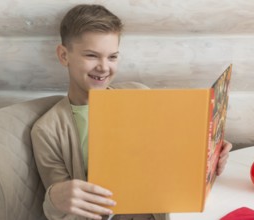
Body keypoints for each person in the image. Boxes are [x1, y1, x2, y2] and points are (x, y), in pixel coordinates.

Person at [31, 4, 233, 220]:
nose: (103, 67)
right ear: (64, 56)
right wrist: (54, 198)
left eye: (112, 57)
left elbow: (174, 150)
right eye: (92, 55)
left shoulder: (138, 93)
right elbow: (62, 210)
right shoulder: (47, 131)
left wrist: (211, 152)